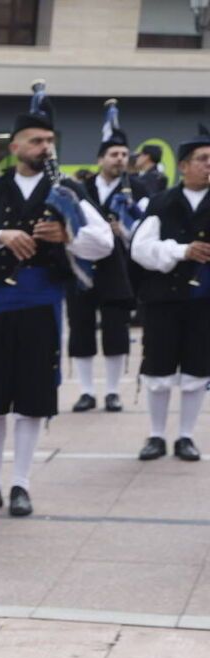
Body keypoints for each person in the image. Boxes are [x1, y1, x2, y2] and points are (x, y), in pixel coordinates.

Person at [0, 84, 113, 517]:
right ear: (15, 146)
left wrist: (68, 235)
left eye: (50, 141)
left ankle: (21, 484)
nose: (45, 147)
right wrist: (1, 236)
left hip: (43, 306)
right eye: (37, 140)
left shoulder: (66, 190)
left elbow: (103, 242)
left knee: (33, 397)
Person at [130, 136, 210, 464]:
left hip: (204, 300)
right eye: (203, 159)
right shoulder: (161, 202)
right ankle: (157, 435)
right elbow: (140, 249)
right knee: (158, 370)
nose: (209, 165)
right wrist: (181, 250)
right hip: (164, 299)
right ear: (184, 166)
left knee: (196, 372)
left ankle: (186, 436)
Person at [69, 108, 141, 415]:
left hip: (118, 270)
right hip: (82, 268)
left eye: (124, 154)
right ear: (101, 158)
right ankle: (86, 391)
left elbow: (146, 231)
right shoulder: (81, 189)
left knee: (116, 331)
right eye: (114, 153)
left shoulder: (136, 190)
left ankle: (112, 392)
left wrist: (122, 231)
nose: (120, 159)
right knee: (81, 329)